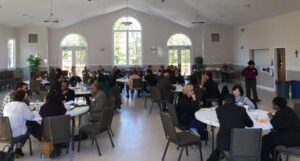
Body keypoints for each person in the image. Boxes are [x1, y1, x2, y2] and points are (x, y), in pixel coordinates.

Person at [207, 94, 253, 161]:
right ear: (235, 101)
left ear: (224, 101)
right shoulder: (242, 110)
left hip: (224, 142)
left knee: (219, 143)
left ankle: (220, 155)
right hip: (239, 142)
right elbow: (250, 124)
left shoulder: (219, 110)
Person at [3, 90, 41, 158]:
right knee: (29, 128)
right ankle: (18, 148)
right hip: (16, 134)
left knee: (24, 126)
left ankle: (16, 148)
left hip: (6, 133)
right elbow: (30, 117)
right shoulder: (22, 105)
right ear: (23, 98)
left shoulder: (7, 105)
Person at [261, 97, 300, 161]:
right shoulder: (288, 109)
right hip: (296, 135)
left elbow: (276, 126)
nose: (272, 105)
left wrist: (271, 118)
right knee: (270, 137)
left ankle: (265, 158)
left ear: (277, 106)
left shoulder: (280, 113)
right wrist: (274, 117)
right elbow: (282, 121)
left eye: (273, 104)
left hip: (290, 138)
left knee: (265, 139)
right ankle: (275, 158)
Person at [39, 90, 67, 159]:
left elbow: (41, 115)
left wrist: (45, 103)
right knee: (57, 128)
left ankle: (53, 147)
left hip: (47, 134)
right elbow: (64, 112)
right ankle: (56, 146)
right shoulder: (60, 106)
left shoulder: (44, 107)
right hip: (61, 133)